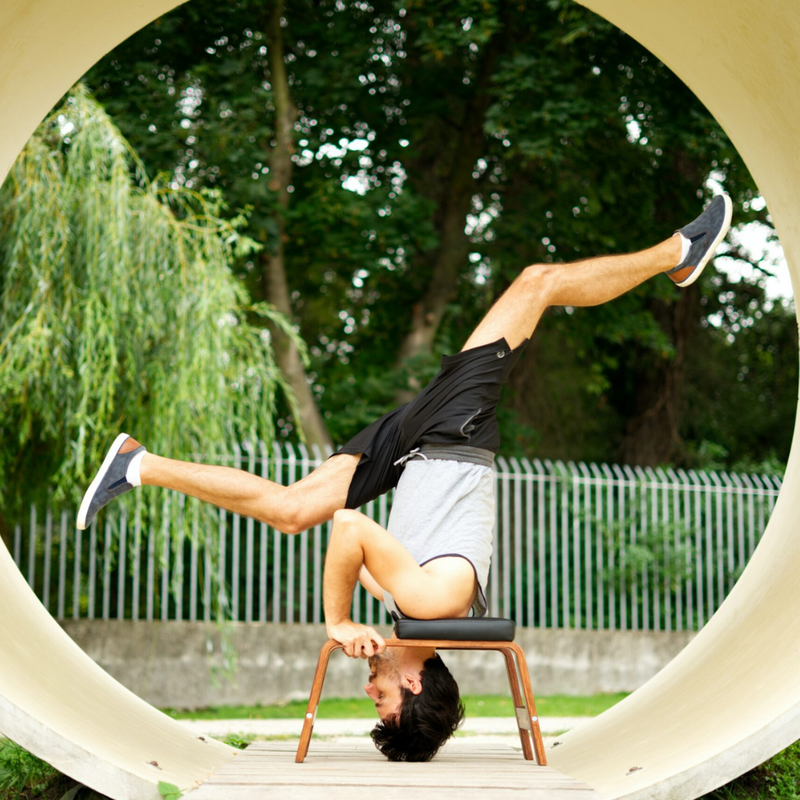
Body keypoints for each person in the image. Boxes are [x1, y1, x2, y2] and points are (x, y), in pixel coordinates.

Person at [77, 193, 732, 761]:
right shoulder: (426, 605)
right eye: (381, 698)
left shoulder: (414, 609)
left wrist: (366, 620)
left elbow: (354, 553)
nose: (369, 687)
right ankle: (678, 251)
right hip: (452, 435)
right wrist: (336, 621)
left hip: (410, 454)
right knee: (537, 282)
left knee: (288, 509)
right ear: (415, 686)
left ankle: (138, 464)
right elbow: (351, 529)